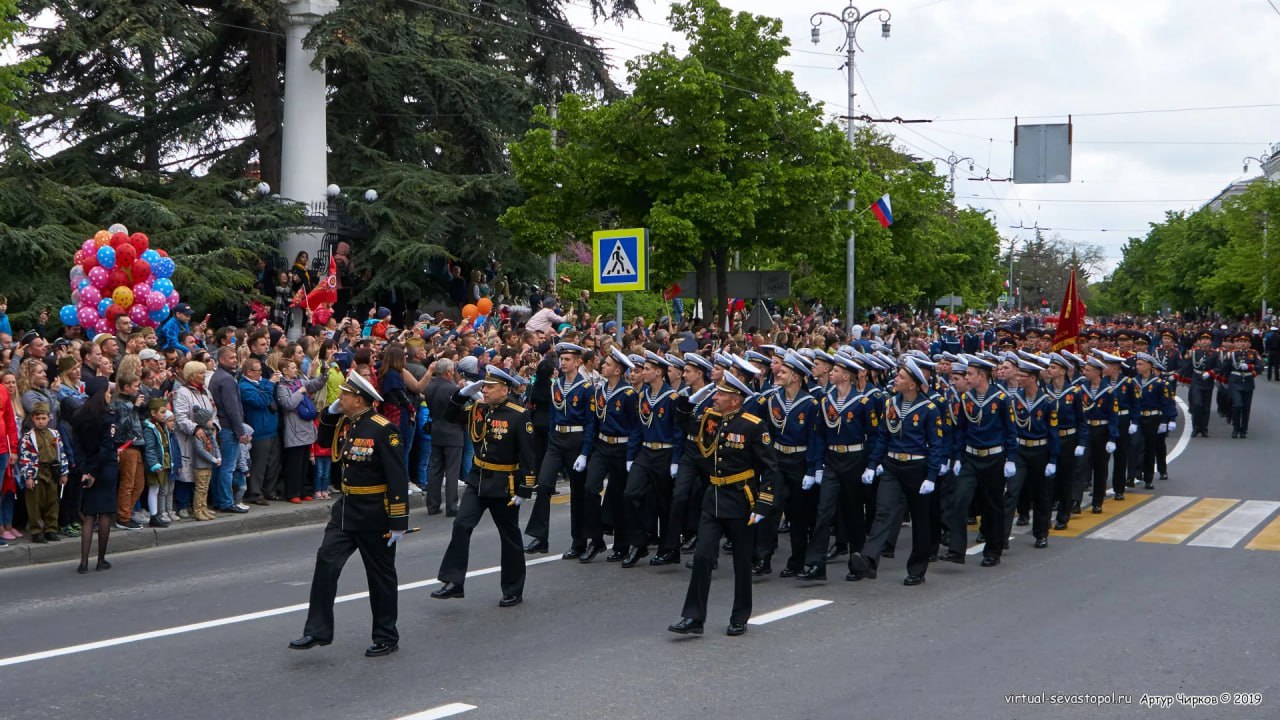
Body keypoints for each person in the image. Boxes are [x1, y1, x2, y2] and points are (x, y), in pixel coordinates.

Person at [292, 370, 410, 657]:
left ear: (358, 399)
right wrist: (331, 412)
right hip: (345, 512)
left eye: (344, 395)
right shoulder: (350, 423)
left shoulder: (384, 429)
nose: (340, 397)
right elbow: (322, 439)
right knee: (326, 562)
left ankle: (386, 635)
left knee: (380, 576)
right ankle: (317, 631)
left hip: (375, 514)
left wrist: (398, 521)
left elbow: (397, 476)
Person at [668, 371, 780, 637]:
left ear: (735, 399)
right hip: (714, 498)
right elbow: (682, 421)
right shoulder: (711, 420)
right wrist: (690, 398)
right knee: (703, 556)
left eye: (720, 394)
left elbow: (770, 469)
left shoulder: (753, 426)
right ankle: (694, 617)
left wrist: (763, 505)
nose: (715, 397)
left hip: (741, 500)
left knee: (742, 563)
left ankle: (740, 616)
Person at [431, 366, 536, 608]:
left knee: (509, 537)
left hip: (504, 484)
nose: (485, 390)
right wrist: (461, 395)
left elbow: (528, 456)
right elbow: (449, 415)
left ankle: (513, 588)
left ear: (505, 389)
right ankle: (454, 581)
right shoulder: (479, 409)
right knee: (461, 524)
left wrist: (524, 489)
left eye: (490, 387)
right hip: (478, 479)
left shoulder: (519, 415)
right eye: (484, 386)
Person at [849, 357, 946, 585]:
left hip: (917, 467)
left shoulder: (929, 409)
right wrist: (873, 465)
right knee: (883, 511)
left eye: (901, 377)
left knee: (920, 519)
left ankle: (917, 568)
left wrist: (932, 476)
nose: (896, 379)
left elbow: (936, 444)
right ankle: (869, 560)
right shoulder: (890, 404)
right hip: (892, 465)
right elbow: (883, 436)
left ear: (912, 384)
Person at [524, 342, 596, 557]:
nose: (562, 363)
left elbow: (591, 422)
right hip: (557, 440)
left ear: (577, 362)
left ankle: (579, 541)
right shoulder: (556, 385)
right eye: (561, 359)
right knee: (544, 484)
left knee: (578, 492)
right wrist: (552, 439)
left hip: (576, 438)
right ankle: (540, 536)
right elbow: (555, 415)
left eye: (567, 360)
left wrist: (585, 452)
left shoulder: (586, 388)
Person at [946, 354, 1017, 568]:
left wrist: (1010, 459)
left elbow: (1010, 431)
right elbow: (961, 431)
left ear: (982, 376)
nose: (966, 378)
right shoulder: (966, 399)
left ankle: (993, 550)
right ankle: (956, 550)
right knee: (959, 500)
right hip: (970, 457)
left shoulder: (1001, 399)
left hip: (993, 458)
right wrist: (958, 458)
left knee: (992, 505)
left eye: (970, 374)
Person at [70, 376, 120, 573]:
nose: (109, 394)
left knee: (89, 515)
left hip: (88, 469)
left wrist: (85, 471)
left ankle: (83, 562)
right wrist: (95, 472)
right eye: (107, 391)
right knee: (105, 514)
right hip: (105, 468)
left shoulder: (79, 415)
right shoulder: (108, 417)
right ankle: (101, 559)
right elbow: (107, 448)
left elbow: (77, 447)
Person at [275, 358, 327, 502]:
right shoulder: (281, 387)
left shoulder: (300, 381)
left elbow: (313, 385)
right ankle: (293, 493)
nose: (295, 370)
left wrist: (324, 374)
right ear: (284, 371)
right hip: (294, 430)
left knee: (305, 464)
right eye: (292, 367)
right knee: (294, 465)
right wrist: (300, 392)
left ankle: (304, 491)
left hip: (306, 428)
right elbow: (288, 404)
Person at [173, 360, 219, 521]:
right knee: (187, 474)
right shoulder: (183, 392)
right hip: (189, 438)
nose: (203, 376)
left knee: (204, 476)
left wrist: (214, 426)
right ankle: (183, 505)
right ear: (192, 375)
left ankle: (202, 506)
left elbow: (213, 412)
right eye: (200, 373)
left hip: (206, 438)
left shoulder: (205, 391)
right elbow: (180, 417)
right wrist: (195, 428)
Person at [18, 402, 70, 543]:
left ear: (49, 418)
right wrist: (28, 476)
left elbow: (61, 453)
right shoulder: (28, 437)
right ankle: (36, 530)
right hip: (36, 471)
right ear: (32, 419)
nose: (41, 421)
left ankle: (51, 529)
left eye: (43, 418)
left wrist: (64, 472)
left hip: (52, 471)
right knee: (35, 502)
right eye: (37, 418)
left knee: (52, 501)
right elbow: (25, 458)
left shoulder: (54, 434)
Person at [422, 358, 464, 515]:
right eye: (452, 370)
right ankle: (452, 506)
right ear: (448, 372)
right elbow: (460, 412)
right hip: (453, 431)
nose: (453, 373)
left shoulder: (430, 387)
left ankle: (432, 505)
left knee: (435, 469)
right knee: (452, 470)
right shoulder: (452, 389)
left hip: (437, 429)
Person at [142, 397, 174, 526]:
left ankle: (157, 514)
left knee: (159, 488)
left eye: (165, 411)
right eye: (161, 412)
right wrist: (154, 463)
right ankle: (154, 516)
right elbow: (150, 448)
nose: (164, 414)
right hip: (156, 463)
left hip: (164, 460)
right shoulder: (149, 428)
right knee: (154, 488)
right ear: (153, 413)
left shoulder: (161, 426)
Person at [1179, 330, 1217, 437]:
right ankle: (1196, 427)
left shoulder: (1214, 354)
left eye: (1207, 339)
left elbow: (1219, 367)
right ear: (1198, 342)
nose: (1204, 342)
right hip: (1196, 380)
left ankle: (1204, 428)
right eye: (1202, 340)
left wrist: (1211, 373)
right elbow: (1185, 365)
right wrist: (1181, 377)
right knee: (1197, 404)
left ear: (1210, 341)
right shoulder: (1193, 352)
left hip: (1208, 381)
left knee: (1206, 406)